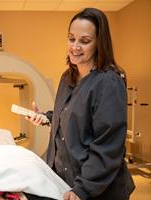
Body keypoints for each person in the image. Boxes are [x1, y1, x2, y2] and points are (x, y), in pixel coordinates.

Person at [25, 7, 135, 200]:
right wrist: (46, 117)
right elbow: (72, 115)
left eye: (84, 41)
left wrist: (82, 189)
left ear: (99, 44)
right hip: (65, 181)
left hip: (96, 188)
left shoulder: (108, 82)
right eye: (71, 38)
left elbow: (107, 145)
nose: (75, 46)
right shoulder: (68, 77)